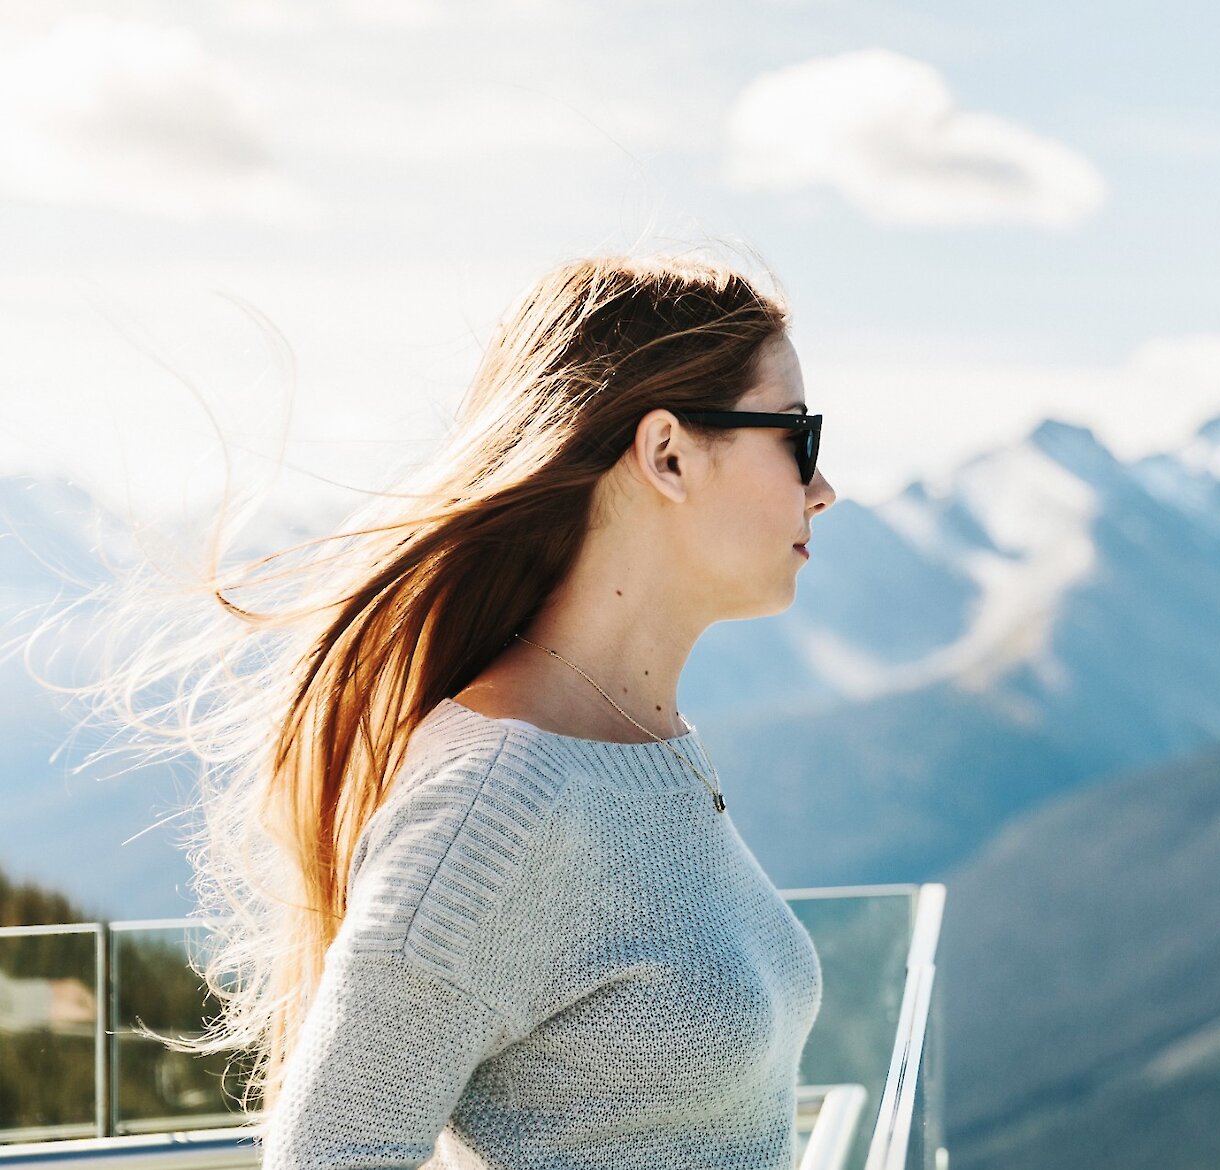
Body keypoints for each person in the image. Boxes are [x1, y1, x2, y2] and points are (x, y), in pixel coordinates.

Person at [41, 252, 837, 1167]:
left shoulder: (648, 745)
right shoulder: (500, 803)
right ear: (668, 454)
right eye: (797, 437)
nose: (823, 487)